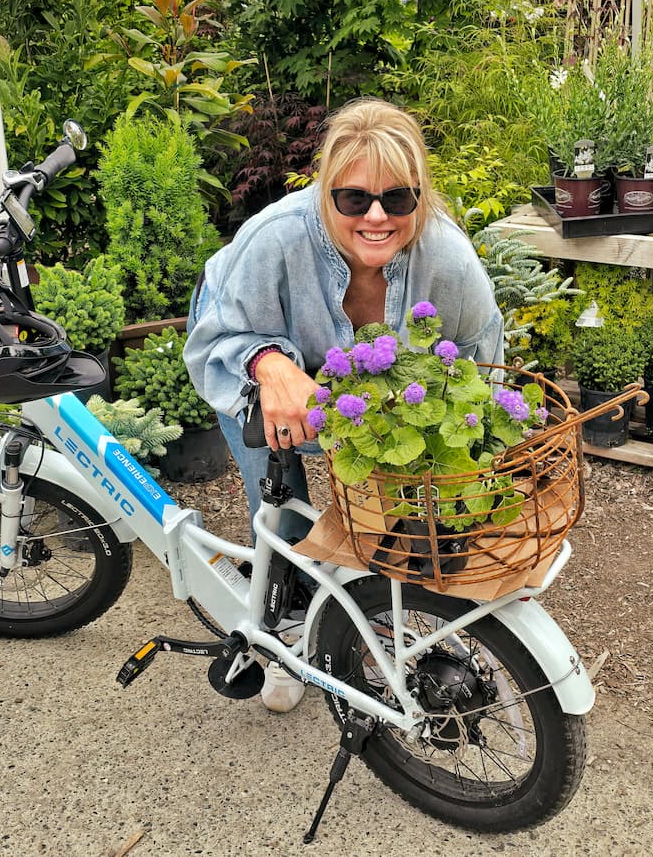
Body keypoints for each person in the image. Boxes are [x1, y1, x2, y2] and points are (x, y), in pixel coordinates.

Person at [184, 97, 503, 710]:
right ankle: (282, 626)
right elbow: (217, 338)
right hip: (243, 334)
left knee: (399, 501)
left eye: (398, 199)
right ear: (327, 193)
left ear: (420, 196)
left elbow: (479, 362)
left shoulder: (449, 257)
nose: (377, 216)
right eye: (354, 199)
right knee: (282, 504)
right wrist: (267, 363)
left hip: (370, 398)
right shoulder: (275, 238)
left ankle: (377, 622)